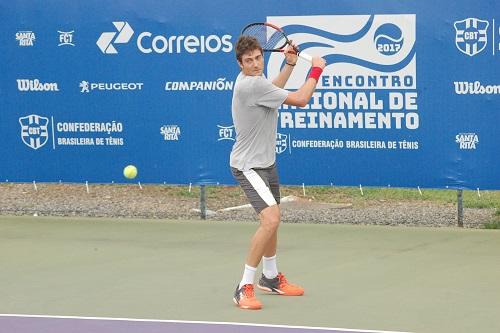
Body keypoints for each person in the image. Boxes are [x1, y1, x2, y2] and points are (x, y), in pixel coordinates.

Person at [230, 35, 326, 310]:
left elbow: (272, 91)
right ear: (240, 64)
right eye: (248, 61)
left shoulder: (259, 85)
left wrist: (289, 64)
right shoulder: (249, 85)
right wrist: (316, 69)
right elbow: (301, 98)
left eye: (258, 58)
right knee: (270, 219)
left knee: (273, 221)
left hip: (267, 163)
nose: (256, 63)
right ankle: (243, 287)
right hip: (247, 166)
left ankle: (270, 277)